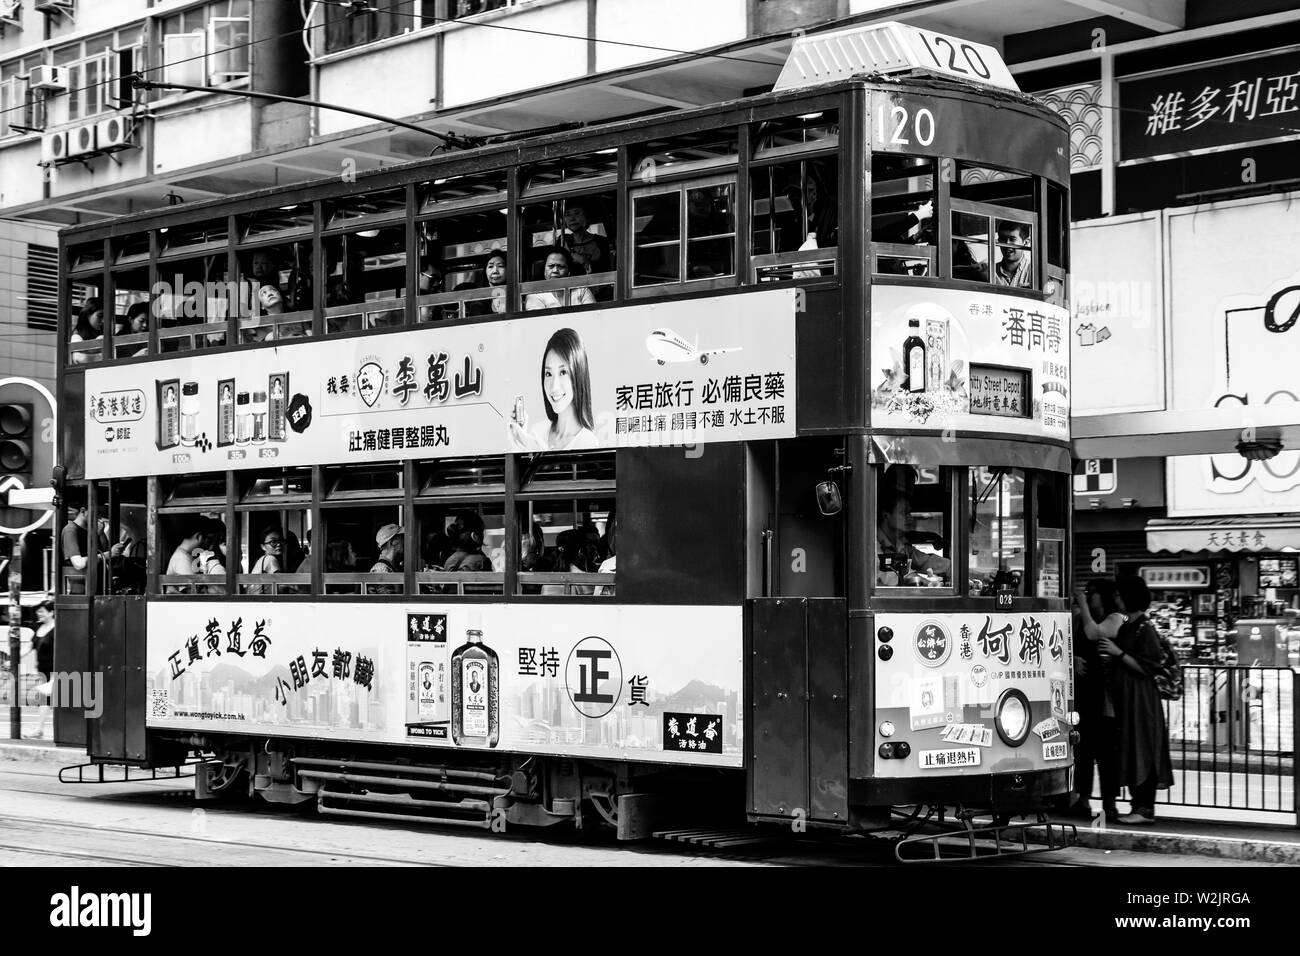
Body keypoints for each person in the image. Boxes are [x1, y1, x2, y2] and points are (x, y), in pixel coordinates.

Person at [1098, 575, 1173, 825]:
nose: (1116, 598)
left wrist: (1118, 653)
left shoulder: (1144, 627)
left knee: (1143, 746)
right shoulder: (1131, 623)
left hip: (1141, 699)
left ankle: (1144, 807)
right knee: (1132, 746)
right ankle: (1138, 805)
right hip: (1128, 697)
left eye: (1119, 594)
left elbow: (1148, 667)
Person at [1061, 578, 1124, 823]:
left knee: (1107, 753)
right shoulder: (1080, 617)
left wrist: (1084, 605)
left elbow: (1092, 632)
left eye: (1093, 593)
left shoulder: (1116, 617)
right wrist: (1073, 659)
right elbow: (1069, 643)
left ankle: (1110, 804)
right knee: (1084, 750)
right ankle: (1083, 800)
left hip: (1107, 696)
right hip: (1085, 693)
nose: (1089, 597)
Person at [509, 327, 599, 452]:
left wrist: (538, 451)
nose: (554, 386)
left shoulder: (587, 443)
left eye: (563, 372)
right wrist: (519, 438)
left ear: (578, 375)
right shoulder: (537, 431)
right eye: (548, 374)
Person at [875, 473, 950, 586]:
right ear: (886, 515)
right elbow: (888, 578)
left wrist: (961, 570)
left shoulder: (901, 545)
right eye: (904, 513)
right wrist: (923, 582)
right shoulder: (872, 544)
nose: (910, 518)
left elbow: (926, 561)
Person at [524, 247, 596, 310]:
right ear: (544, 271)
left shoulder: (582, 291)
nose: (555, 270)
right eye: (551, 266)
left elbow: (592, 317)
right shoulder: (534, 295)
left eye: (560, 266)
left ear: (569, 272)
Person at [562, 203, 612, 274]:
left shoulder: (601, 241)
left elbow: (607, 270)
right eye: (567, 215)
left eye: (577, 213)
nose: (572, 219)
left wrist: (583, 260)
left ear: (586, 216)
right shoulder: (563, 241)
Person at [31, 599, 55, 739]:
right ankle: (39, 729)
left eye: (41, 612)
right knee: (47, 701)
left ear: (51, 612)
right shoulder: (39, 629)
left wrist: (54, 675)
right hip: (42, 671)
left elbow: (60, 651)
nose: (38, 614)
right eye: (37, 612)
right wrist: (13, 659)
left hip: (54, 671)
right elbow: (30, 647)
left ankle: (39, 730)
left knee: (46, 701)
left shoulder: (56, 629)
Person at [165, 520, 205, 593]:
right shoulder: (182, 559)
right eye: (209, 539)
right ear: (199, 537)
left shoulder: (184, 555)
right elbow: (192, 593)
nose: (208, 544)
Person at [465, 250, 508, 317]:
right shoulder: (478, 296)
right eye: (490, 266)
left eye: (500, 266)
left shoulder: (514, 292)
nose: (495, 271)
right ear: (485, 271)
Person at [245, 525, 284, 595]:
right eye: (273, 542)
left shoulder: (262, 559)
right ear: (263, 547)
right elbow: (281, 586)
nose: (279, 544)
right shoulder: (270, 559)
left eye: (280, 541)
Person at [993, 221, 1033, 288]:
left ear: (1026, 242)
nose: (1006, 244)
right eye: (1002, 239)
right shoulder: (991, 271)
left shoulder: (1035, 272)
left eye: (1012, 239)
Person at [369, 523, 404, 594]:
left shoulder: (391, 566)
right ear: (394, 542)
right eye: (402, 538)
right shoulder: (381, 569)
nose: (404, 542)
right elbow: (388, 601)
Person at [69, 299, 104, 363]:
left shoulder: (102, 334)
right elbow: (81, 359)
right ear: (88, 315)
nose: (103, 321)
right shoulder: (76, 336)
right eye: (100, 316)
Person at [61, 506, 90, 573]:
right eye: (97, 513)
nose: (99, 518)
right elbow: (79, 564)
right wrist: (106, 555)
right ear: (83, 511)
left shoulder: (91, 532)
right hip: (81, 581)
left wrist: (101, 534)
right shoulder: (70, 530)